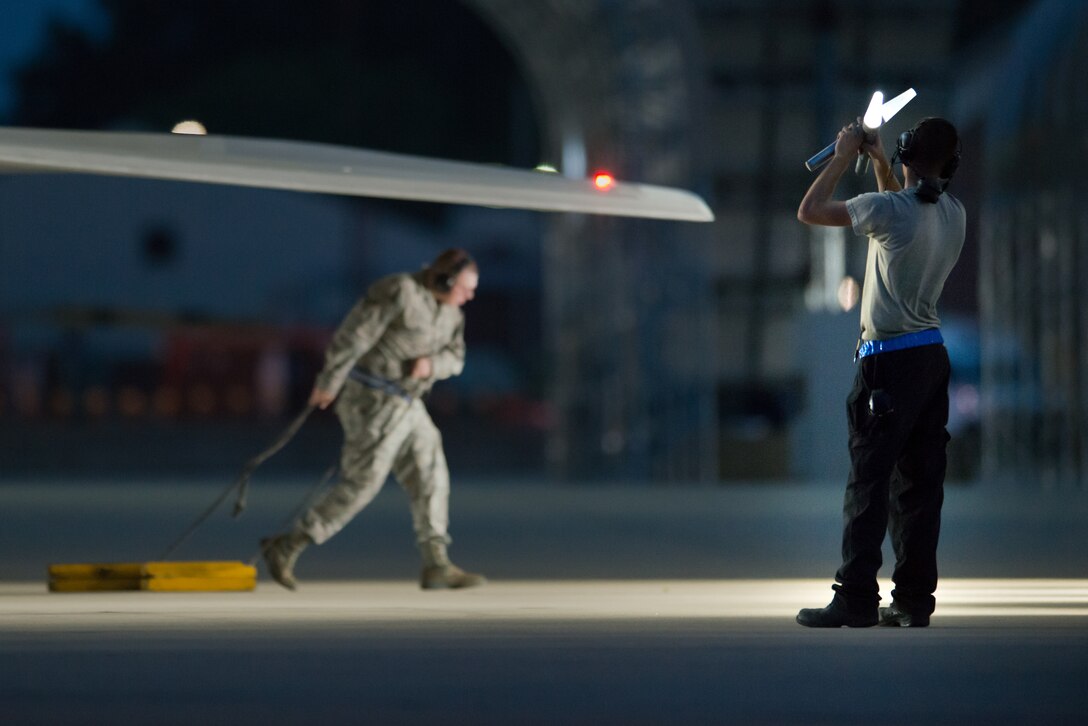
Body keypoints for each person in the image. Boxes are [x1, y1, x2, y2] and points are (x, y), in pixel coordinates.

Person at [794, 117, 966, 627]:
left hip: (887, 362)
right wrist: (877, 160)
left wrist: (846, 154)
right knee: (919, 485)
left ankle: (855, 596)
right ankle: (913, 600)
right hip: (931, 359)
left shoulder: (888, 211)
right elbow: (902, 205)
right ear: (951, 164)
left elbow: (810, 210)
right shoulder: (954, 214)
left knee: (869, 481)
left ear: (905, 154)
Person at [261, 248, 486, 590]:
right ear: (445, 279)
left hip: (409, 401)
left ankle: (436, 561)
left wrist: (432, 366)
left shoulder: (452, 314)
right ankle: (289, 544)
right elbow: (355, 336)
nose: (468, 297)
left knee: (431, 472)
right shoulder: (399, 291)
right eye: (465, 288)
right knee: (362, 483)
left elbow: (456, 359)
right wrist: (329, 382)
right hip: (373, 400)